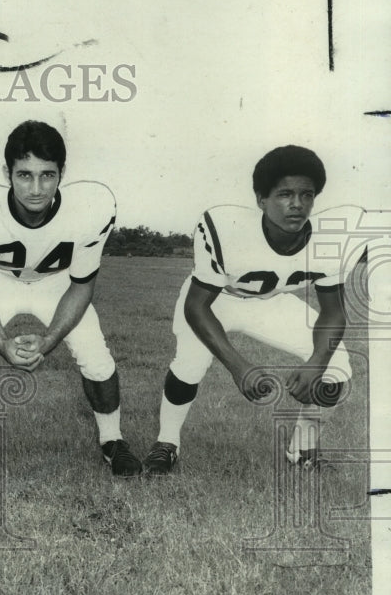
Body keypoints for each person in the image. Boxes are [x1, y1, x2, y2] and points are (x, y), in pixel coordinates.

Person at [0, 120, 143, 477]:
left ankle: (113, 441)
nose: (36, 189)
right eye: (24, 175)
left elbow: (82, 286)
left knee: (96, 359)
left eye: (47, 175)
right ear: (7, 173)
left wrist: (50, 339)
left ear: (61, 173)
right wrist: (2, 342)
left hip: (58, 283)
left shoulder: (91, 207)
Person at [143, 145, 358, 474]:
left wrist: (316, 363)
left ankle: (302, 449)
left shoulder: (330, 240)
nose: (297, 204)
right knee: (188, 366)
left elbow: (334, 312)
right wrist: (238, 366)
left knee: (336, 368)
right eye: (285, 194)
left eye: (307, 194)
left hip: (273, 302)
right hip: (218, 300)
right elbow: (197, 305)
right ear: (261, 199)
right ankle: (167, 442)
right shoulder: (226, 226)